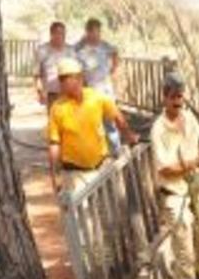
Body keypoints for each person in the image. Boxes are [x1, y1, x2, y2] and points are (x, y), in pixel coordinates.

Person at [151, 72, 199, 279]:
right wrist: (197, 162)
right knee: (184, 249)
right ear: (164, 97)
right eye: (174, 98)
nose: (178, 103)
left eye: (181, 98)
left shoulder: (189, 118)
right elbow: (165, 169)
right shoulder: (158, 130)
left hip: (196, 188)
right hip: (174, 193)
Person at [47, 58, 138, 193]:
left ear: (79, 78)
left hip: (100, 167)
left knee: (104, 206)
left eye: (65, 79)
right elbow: (54, 143)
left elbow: (117, 116)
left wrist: (130, 136)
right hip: (73, 172)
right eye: (61, 80)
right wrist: (55, 175)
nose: (61, 84)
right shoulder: (57, 108)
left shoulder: (96, 97)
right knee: (79, 211)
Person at [75, 18, 123, 155]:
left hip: (106, 89)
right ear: (88, 32)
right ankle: (97, 151)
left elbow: (115, 52)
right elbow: (71, 52)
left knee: (110, 121)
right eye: (93, 32)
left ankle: (115, 150)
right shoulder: (80, 48)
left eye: (98, 32)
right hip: (90, 90)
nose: (97, 35)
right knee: (92, 123)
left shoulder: (105, 46)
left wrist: (113, 68)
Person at [34, 21, 76, 110]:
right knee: (54, 119)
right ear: (51, 34)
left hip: (67, 92)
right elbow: (37, 73)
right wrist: (39, 92)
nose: (61, 36)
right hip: (50, 93)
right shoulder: (42, 50)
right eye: (58, 33)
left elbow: (76, 72)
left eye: (63, 33)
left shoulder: (71, 51)